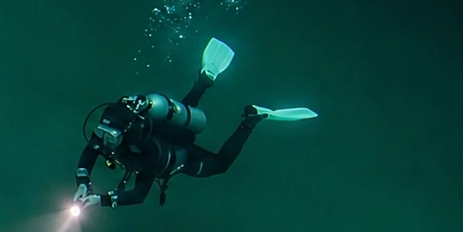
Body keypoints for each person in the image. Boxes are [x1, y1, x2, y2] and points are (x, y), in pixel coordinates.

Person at [72, 38, 315, 209]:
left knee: (220, 165)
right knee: (181, 120)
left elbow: (139, 195)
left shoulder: (145, 155)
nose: (105, 140)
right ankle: (204, 80)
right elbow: (90, 151)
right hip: (166, 130)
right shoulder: (115, 126)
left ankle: (251, 121)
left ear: (124, 132)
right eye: (104, 133)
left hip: (178, 154)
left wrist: (101, 200)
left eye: (110, 136)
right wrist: (83, 184)